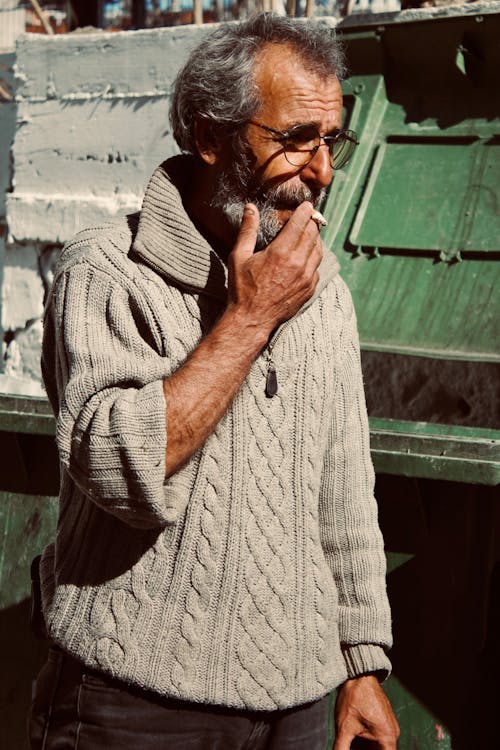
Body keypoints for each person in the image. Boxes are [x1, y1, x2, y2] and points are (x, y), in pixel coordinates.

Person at [29, 12, 399, 750]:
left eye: (332, 141)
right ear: (209, 136)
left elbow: (344, 487)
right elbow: (117, 472)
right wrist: (249, 318)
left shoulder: (321, 288)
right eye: (294, 138)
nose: (322, 170)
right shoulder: (105, 271)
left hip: (299, 701)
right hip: (130, 700)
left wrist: (363, 666)